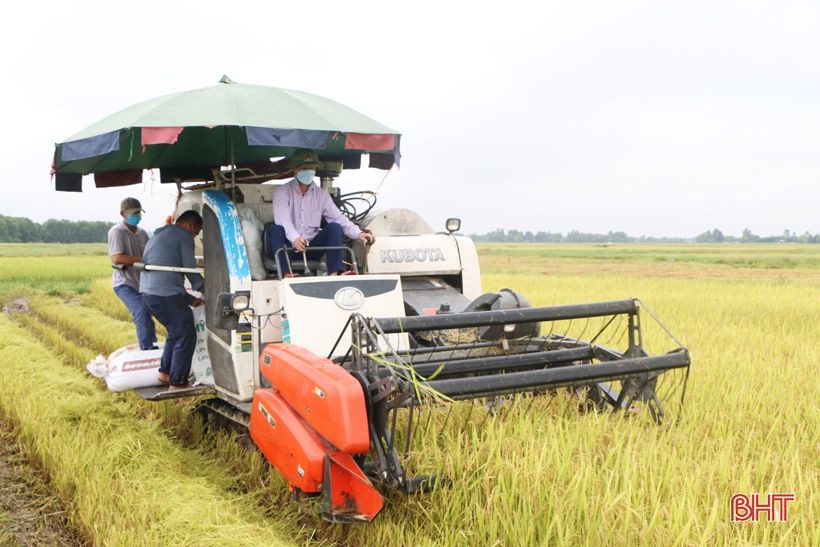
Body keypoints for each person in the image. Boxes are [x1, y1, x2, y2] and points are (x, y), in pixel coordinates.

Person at [267, 149, 375, 277]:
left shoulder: (321, 195)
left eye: (312, 167)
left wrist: (359, 233)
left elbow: (338, 218)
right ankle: (286, 273)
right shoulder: (282, 192)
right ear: (294, 170)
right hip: (287, 248)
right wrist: (295, 238)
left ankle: (336, 273)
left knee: (334, 227)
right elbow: (283, 220)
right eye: (304, 168)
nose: (309, 171)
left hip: (311, 248)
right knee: (276, 229)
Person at [139, 210, 205, 390]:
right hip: (164, 295)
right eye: (197, 231)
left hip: (148, 295)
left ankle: (165, 373)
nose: (195, 235)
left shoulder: (159, 234)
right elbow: (190, 269)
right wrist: (206, 289)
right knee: (186, 333)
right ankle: (178, 382)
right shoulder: (184, 236)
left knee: (175, 332)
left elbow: (165, 272)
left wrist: (189, 299)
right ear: (190, 226)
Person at [108, 197, 157, 350]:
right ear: (123, 213)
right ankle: (147, 349)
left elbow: (150, 253)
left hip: (142, 282)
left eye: (139, 212)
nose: (137, 215)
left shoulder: (142, 233)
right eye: (134, 213)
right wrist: (139, 259)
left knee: (150, 311)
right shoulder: (117, 232)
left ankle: (153, 346)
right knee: (141, 311)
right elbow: (116, 258)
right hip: (125, 283)